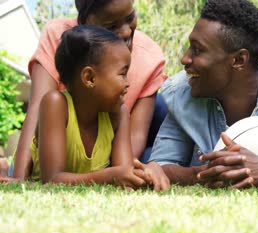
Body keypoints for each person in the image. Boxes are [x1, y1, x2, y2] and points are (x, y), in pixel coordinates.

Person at [137, 0, 258, 191]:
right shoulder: (182, 91)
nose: (185, 59)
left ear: (239, 60)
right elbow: (159, 166)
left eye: (197, 50)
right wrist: (206, 173)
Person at [1, 0, 166, 180]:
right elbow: (35, 111)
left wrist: (142, 173)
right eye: (110, 26)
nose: (126, 31)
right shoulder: (55, 102)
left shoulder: (120, 111)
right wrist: (19, 178)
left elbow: (129, 156)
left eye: (130, 17)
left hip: (101, 158)